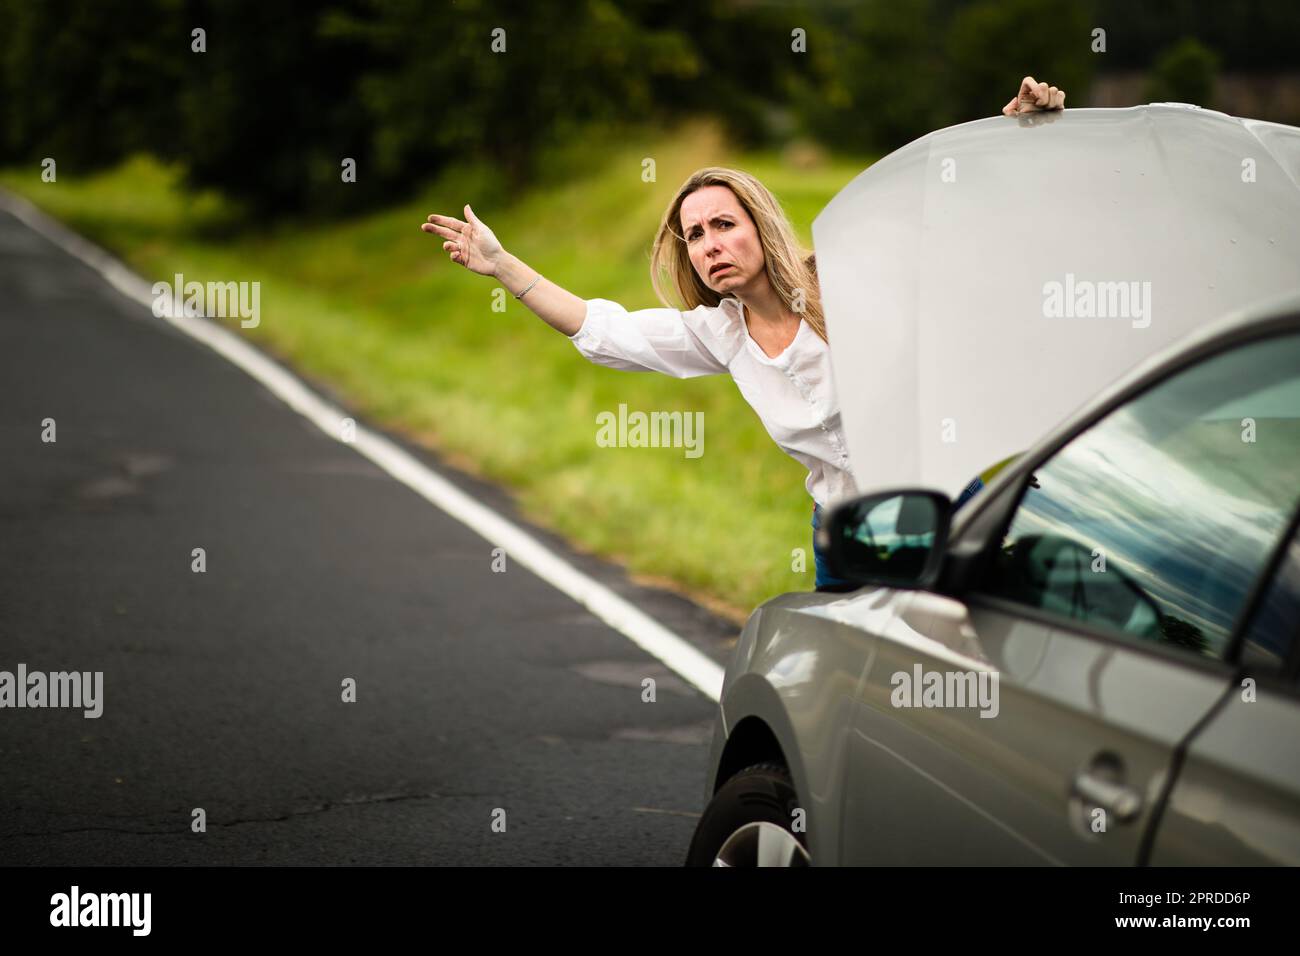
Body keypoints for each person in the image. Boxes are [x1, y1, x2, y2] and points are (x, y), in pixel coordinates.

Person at [422, 77, 1066, 590]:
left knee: (972, 686)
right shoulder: (717, 333)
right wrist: (502, 264)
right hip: (844, 536)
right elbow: (600, 328)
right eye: (695, 235)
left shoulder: (849, 281)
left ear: (759, 225)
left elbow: (948, 223)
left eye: (723, 224)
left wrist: (1015, 132)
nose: (709, 244)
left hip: (946, 511)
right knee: (841, 703)